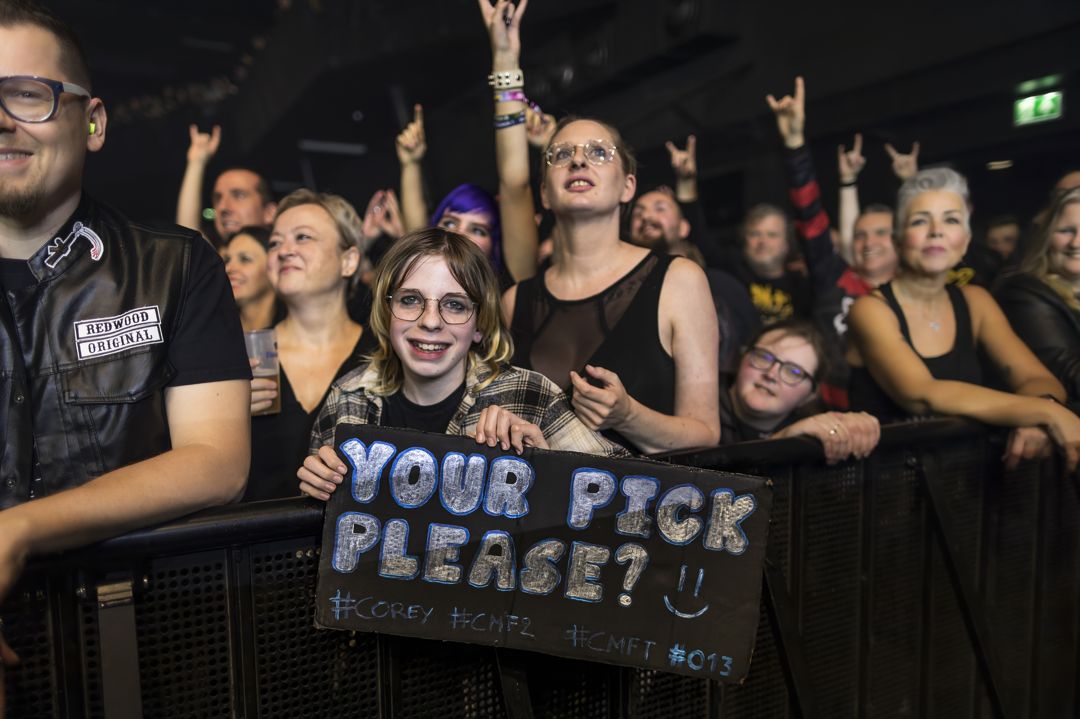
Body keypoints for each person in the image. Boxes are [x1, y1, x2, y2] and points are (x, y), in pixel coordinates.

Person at [0, 1, 251, 705]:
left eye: (28, 93)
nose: (2, 119)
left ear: (93, 121)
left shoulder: (175, 267)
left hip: (147, 659)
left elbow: (217, 462)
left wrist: (17, 530)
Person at [481, 0, 721, 455]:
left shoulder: (679, 281)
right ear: (546, 193)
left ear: (627, 186)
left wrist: (628, 416)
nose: (577, 159)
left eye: (598, 152)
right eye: (561, 153)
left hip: (636, 520)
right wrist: (506, 64)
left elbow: (706, 433)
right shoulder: (519, 302)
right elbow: (512, 185)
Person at [299, 228, 628, 500]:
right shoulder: (347, 396)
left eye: (455, 305)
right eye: (410, 300)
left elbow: (631, 498)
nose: (430, 322)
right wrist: (315, 492)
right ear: (387, 313)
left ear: (480, 325)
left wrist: (549, 467)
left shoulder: (530, 395)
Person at [846, 168, 1080, 473]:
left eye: (951, 219)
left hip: (963, 486)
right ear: (898, 239)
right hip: (884, 489)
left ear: (966, 240)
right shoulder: (870, 310)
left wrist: (1038, 415)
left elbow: (1036, 377)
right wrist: (1047, 413)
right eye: (920, 220)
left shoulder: (976, 300)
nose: (936, 231)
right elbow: (922, 394)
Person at [244, 189, 372, 501]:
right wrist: (225, 416)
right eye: (275, 242)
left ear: (348, 260)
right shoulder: (243, 358)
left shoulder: (384, 355)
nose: (283, 251)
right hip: (263, 543)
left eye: (303, 237)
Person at [395, 103, 521, 284]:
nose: (459, 234)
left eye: (478, 230)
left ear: (495, 248)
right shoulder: (422, 280)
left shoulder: (510, 297)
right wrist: (411, 164)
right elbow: (415, 232)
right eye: (450, 222)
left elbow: (516, 183)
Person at [721, 320, 880, 464]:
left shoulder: (810, 432)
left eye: (793, 372)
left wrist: (852, 431)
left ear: (810, 395)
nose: (771, 375)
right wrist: (783, 441)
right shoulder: (700, 409)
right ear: (742, 355)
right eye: (764, 357)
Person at [996, 187, 1080, 412]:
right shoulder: (1024, 292)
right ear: (1047, 236)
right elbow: (1066, 371)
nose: (1076, 243)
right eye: (1066, 231)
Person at [175, 123, 276, 245]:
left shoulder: (284, 258)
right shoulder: (219, 262)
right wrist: (197, 162)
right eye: (218, 199)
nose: (222, 207)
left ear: (269, 212)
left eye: (239, 195)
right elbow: (187, 231)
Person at [223, 225, 280, 332]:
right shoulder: (216, 331)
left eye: (245, 259)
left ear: (273, 267)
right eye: (227, 260)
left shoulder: (295, 332)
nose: (228, 268)